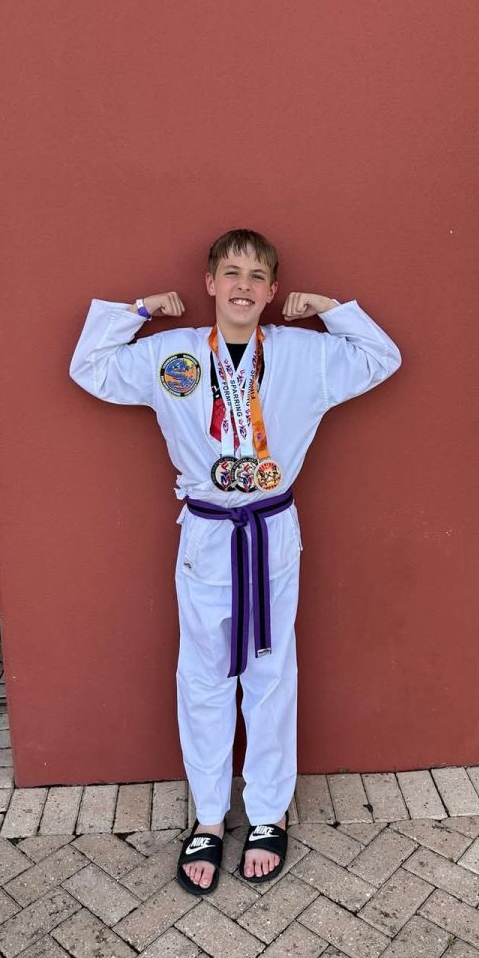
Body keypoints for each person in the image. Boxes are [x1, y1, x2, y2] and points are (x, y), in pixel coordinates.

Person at [69, 229, 401, 894]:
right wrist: (139, 312)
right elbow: (91, 368)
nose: (243, 285)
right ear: (210, 283)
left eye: (256, 275)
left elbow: (381, 358)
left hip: (271, 531)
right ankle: (210, 816)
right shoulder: (173, 354)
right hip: (207, 535)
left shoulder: (304, 354)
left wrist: (329, 309)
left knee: (272, 674)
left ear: (272, 291)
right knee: (203, 679)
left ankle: (269, 811)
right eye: (231, 272)